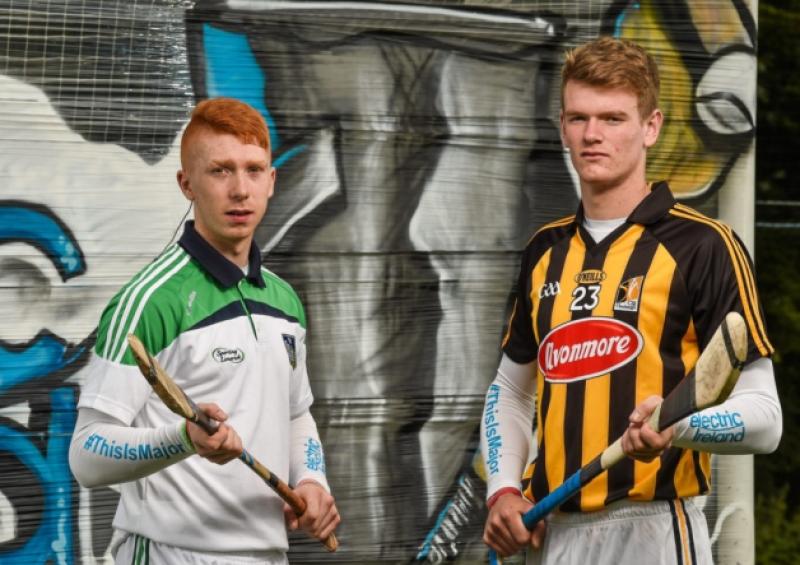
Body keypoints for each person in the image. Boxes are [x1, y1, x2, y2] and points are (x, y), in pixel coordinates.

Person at [480, 37, 782, 564]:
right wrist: (503, 489)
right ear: (562, 127)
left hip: (656, 532)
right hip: (556, 536)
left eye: (613, 118)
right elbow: (510, 391)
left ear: (651, 126)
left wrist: (678, 426)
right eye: (578, 118)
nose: (592, 134)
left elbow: (766, 418)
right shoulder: (544, 251)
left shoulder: (704, 245)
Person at [69, 97, 340, 564]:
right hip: (170, 553)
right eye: (220, 171)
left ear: (272, 181)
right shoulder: (150, 301)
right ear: (186, 184)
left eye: (254, 170)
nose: (240, 190)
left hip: (267, 554)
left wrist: (312, 480)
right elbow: (86, 455)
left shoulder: (285, 302)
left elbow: (297, 414)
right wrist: (183, 438)